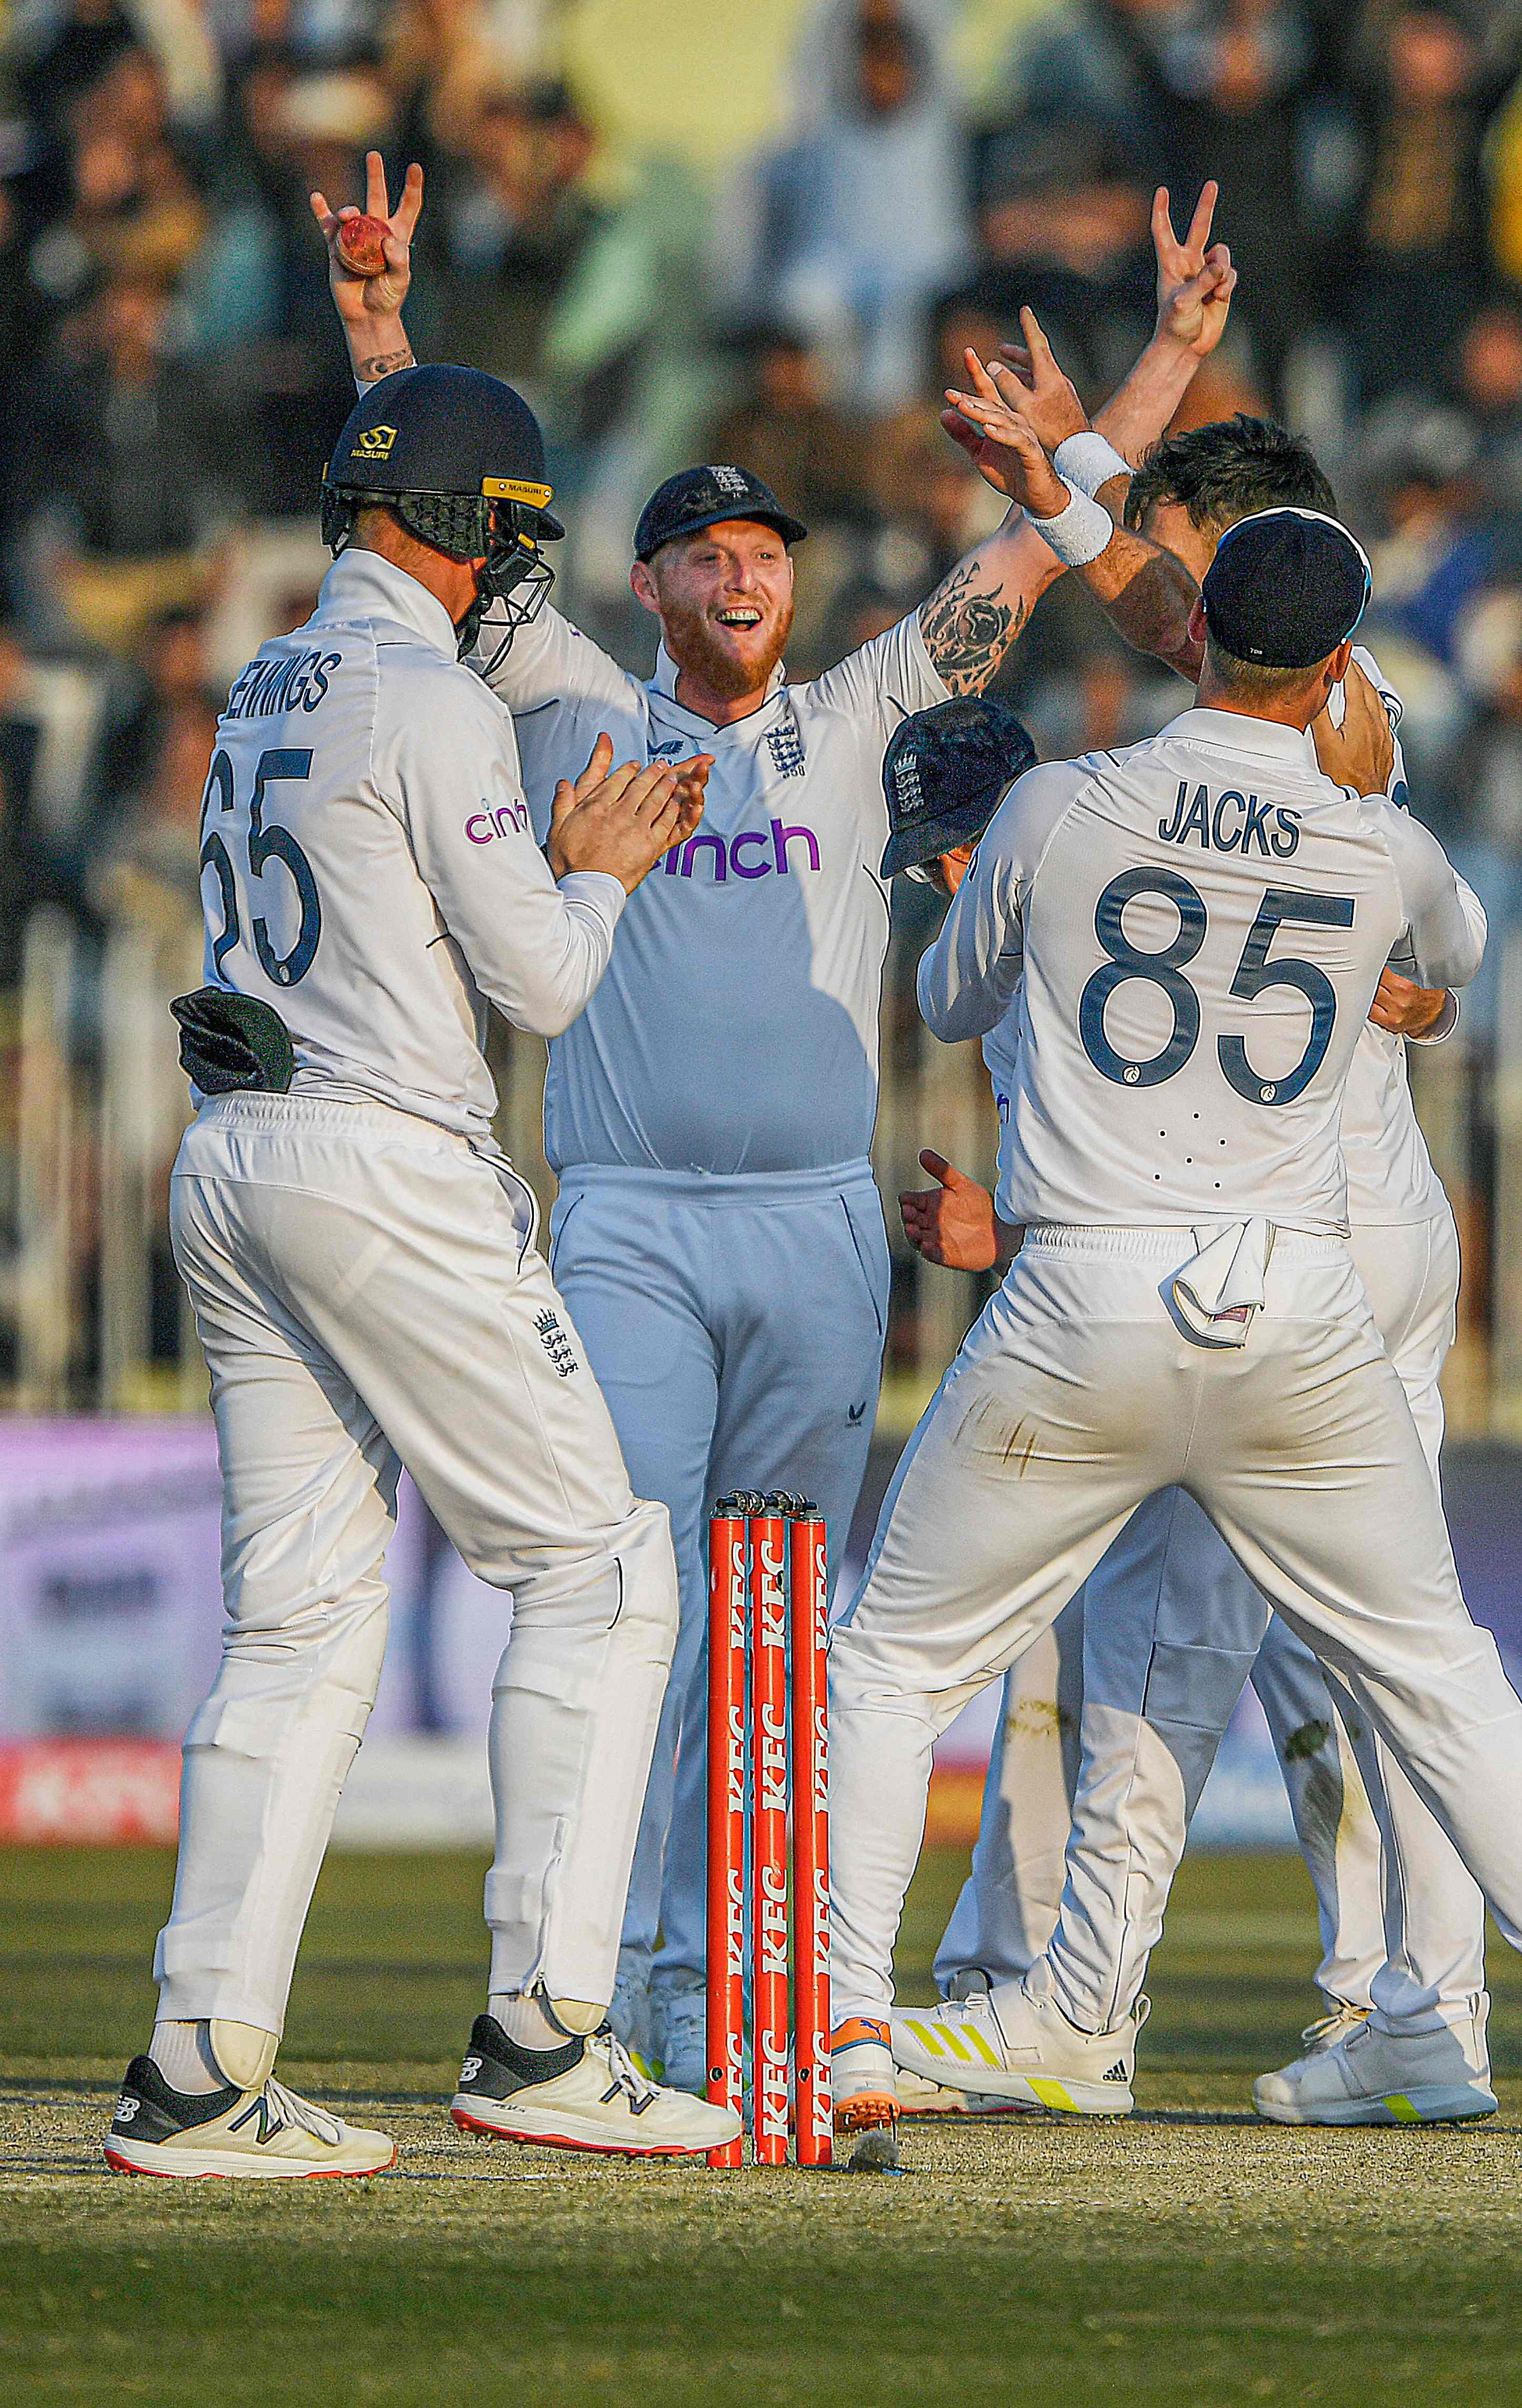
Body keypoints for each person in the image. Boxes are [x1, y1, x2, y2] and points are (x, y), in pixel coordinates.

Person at [312, 154, 1239, 2090]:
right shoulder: (566, 697)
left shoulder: (860, 713)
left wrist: (1158, 364)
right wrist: (383, 327)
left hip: (820, 1230)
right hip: (635, 1226)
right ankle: (620, 1991)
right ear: (641, 586)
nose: (747, 571)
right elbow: (419, 516)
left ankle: (739, 1987)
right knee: (631, 1610)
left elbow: (1045, 556)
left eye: (768, 551)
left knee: (787, 1647)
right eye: (707, 551)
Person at [826, 507, 1522, 2142]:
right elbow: (1455, 961)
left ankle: (848, 2037)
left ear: (1208, 631)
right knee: (1443, 1672)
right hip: (1296, 1304)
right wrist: (1400, 961)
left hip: (1084, 1288)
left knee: (888, 1662)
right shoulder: (1381, 844)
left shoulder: (1053, 802)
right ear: (1339, 667)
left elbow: (951, 996)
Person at [104, 363, 740, 2177]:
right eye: (506, 536)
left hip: (236, 1150)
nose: (509, 576)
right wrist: (597, 864)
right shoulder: (428, 691)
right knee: (606, 1572)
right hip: (382, 1155)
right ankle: (545, 2035)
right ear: (461, 525)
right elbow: (541, 980)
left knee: (296, 1626)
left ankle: (197, 2071)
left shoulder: (264, 675)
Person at [890, 406, 1494, 2127]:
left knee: (1165, 1646)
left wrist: (1074, 484)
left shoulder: (1329, 702)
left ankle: (1071, 2006)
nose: (1174, 600)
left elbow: (1185, 625)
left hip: (1278, 1251)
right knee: (1394, 1659)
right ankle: (1420, 2014)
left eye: (1195, 557)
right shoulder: (1323, 722)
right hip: (1332, 1237)